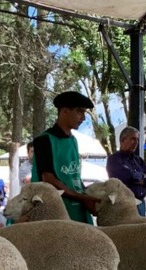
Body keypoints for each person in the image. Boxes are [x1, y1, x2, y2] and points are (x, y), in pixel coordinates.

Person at [31, 90, 99, 223]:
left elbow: (74, 177)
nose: (83, 118)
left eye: (84, 113)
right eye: (79, 111)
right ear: (65, 111)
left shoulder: (73, 140)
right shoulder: (44, 140)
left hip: (78, 208)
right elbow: (48, 179)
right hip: (56, 212)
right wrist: (82, 198)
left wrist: (88, 195)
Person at [105, 125, 146, 216]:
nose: (136, 142)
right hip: (123, 204)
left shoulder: (138, 160)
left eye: (137, 140)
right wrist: (142, 176)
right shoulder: (114, 159)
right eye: (133, 139)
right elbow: (127, 175)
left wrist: (142, 179)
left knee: (141, 229)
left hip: (141, 203)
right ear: (123, 140)